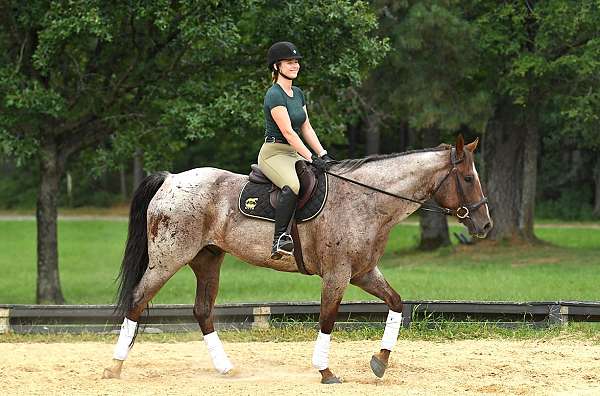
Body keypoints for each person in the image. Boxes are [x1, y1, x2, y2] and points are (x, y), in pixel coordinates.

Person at [258, 41, 335, 260]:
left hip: (294, 152)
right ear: (276, 66)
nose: (295, 65)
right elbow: (289, 133)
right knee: (292, 185)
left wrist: (322, 154)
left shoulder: (298, 93)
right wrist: (309, 156)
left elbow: (305, 127)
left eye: (296, 62)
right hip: (274, 152)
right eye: (289, 62)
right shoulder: (274, 95)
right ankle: (280, 238)